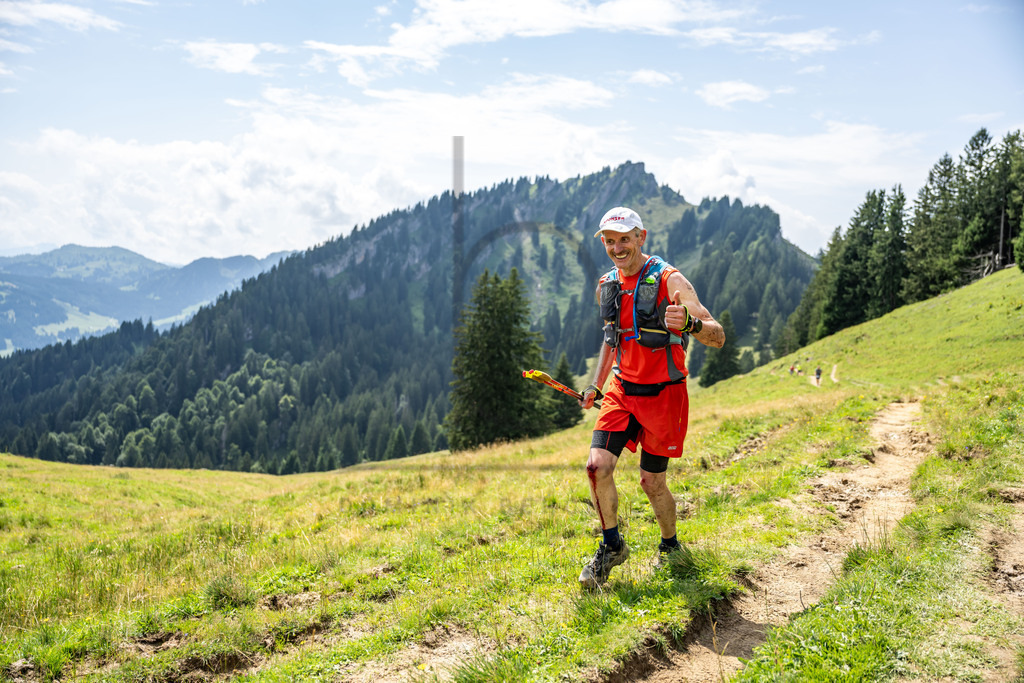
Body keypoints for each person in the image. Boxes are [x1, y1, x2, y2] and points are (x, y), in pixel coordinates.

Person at [577, 207, 725, 589]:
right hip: (622, 391)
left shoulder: (669, 280)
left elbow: (718, 334)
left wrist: (691, 325)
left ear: (641, 237)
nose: (617, 247)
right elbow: (613, 339)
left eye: (624, 239)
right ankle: (612, 547)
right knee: (596, 468)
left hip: (664, 395)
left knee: (651, 482)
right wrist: (596, 385)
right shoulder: (607, 284)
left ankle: (670, 546)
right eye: (609, 241)